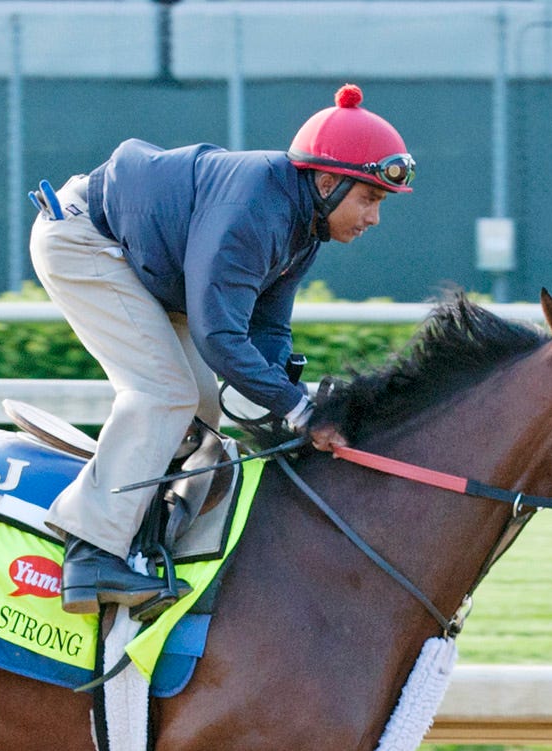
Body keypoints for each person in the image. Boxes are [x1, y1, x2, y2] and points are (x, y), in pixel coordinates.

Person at [29, 84, 414, 615]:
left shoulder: (304, 225)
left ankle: (146, 536)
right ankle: (91, 553)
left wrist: (288, 397)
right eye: (369, 197)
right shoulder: (255, 210)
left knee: (202, 407)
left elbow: (267, 328)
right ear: (327, 181)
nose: (374, 217)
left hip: (144, 261)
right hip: (86, 239)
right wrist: (299, 409)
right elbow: (218, 336)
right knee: (164, 393)